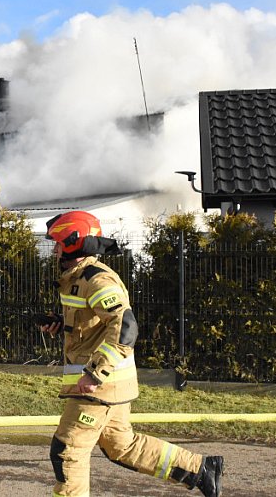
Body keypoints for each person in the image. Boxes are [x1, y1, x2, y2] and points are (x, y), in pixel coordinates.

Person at [41, 210, 224, 497]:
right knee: (120, 446)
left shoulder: (98, 280)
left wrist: (94, 373)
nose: (54, 249)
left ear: (75, 242)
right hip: (108, 386)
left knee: (68, 450)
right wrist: (60, 322)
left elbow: (125, 327)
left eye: (59, 243)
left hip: (97, 386)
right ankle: (200, 469)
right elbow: (93, 322)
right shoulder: (77, 279)